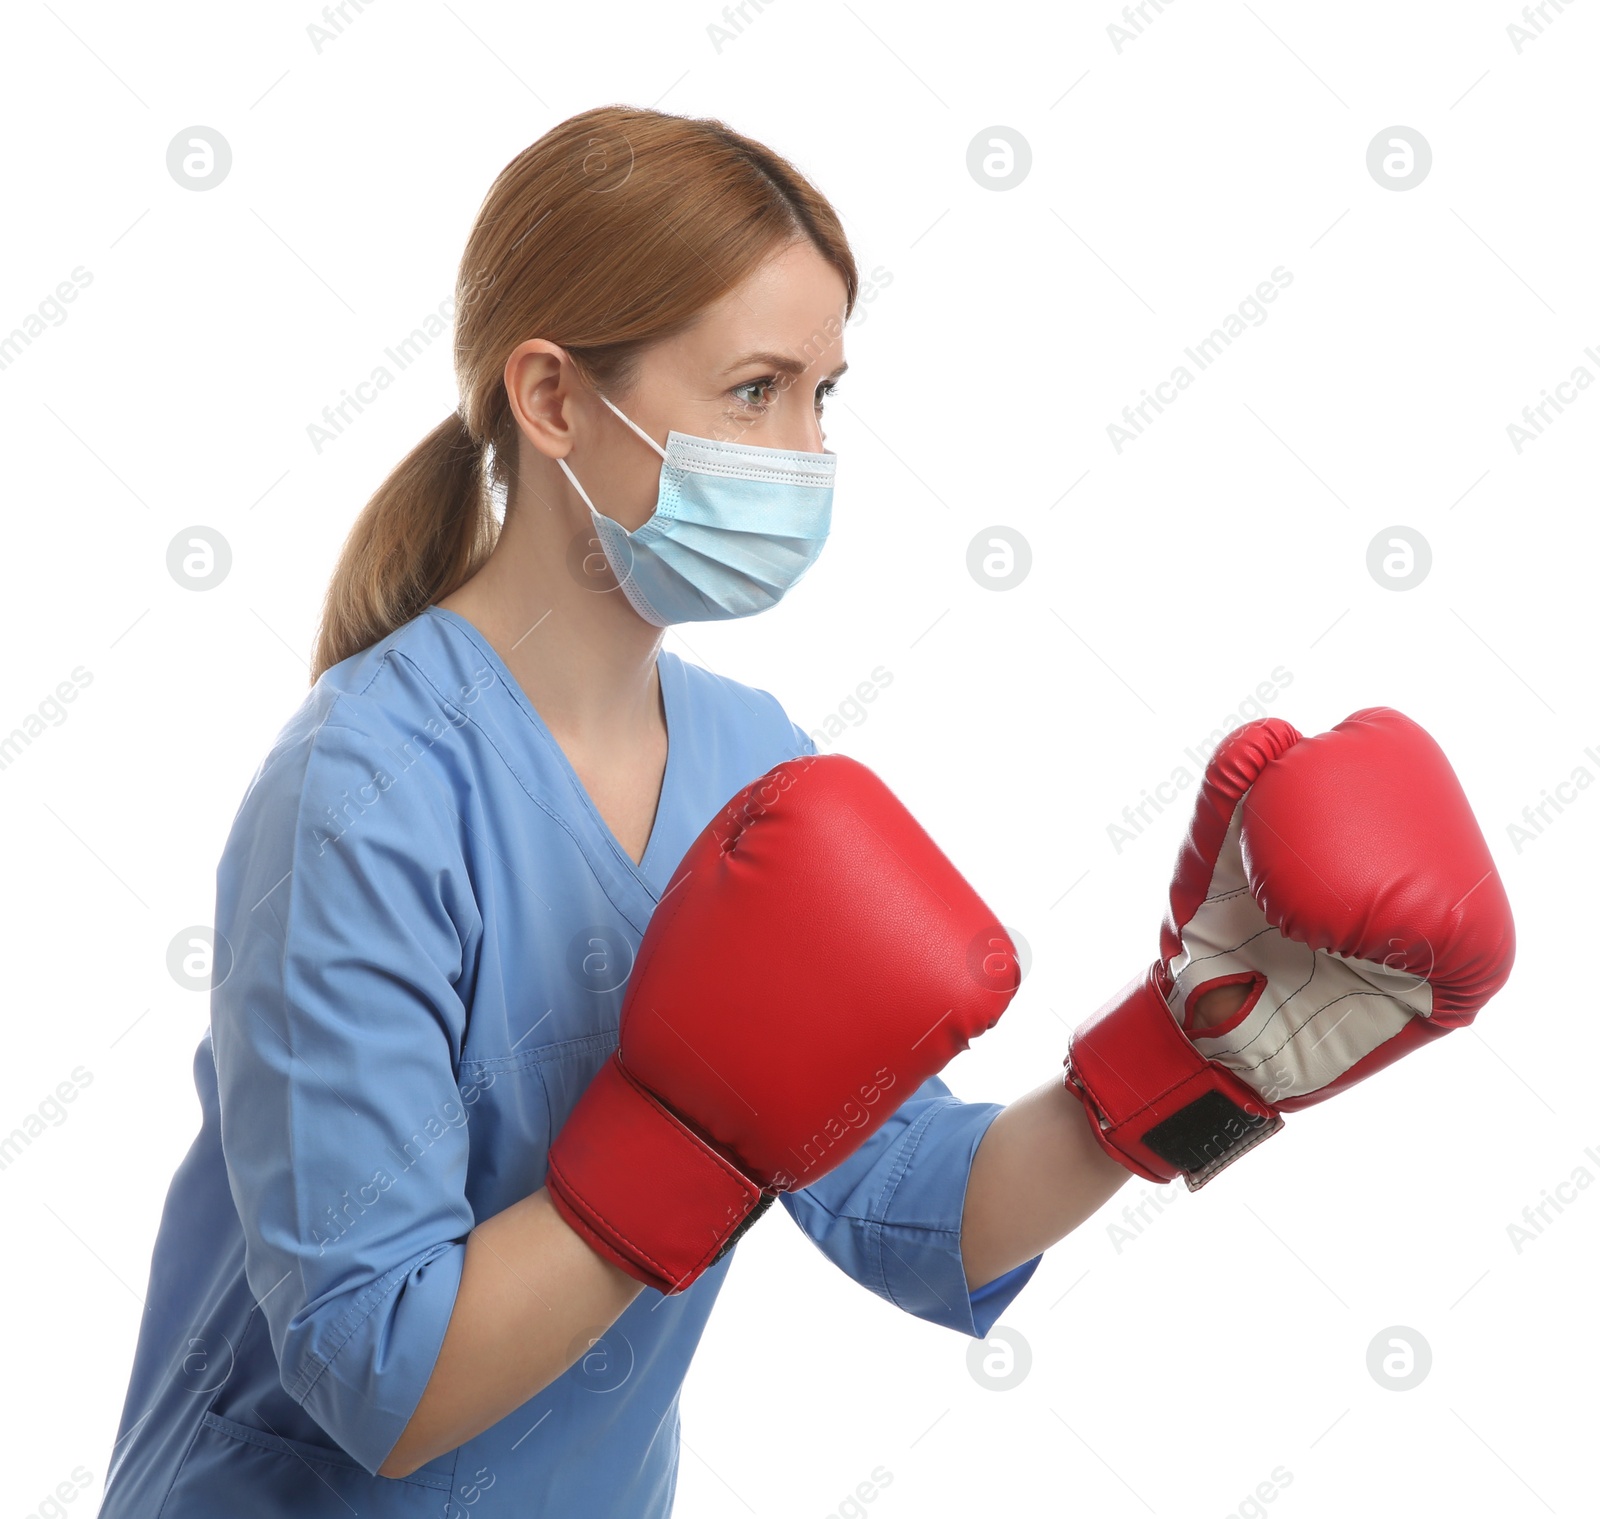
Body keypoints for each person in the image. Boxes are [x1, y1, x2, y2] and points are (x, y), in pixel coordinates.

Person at [97, 104, 1514, 1517]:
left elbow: (913, 1208)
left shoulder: (752, 765)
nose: (801, 452)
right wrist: (693, 1135)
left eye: (823, 395)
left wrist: (1205, 1050)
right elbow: (382, 1382)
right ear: (551, 402)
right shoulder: (364, 789)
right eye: (754, 389)